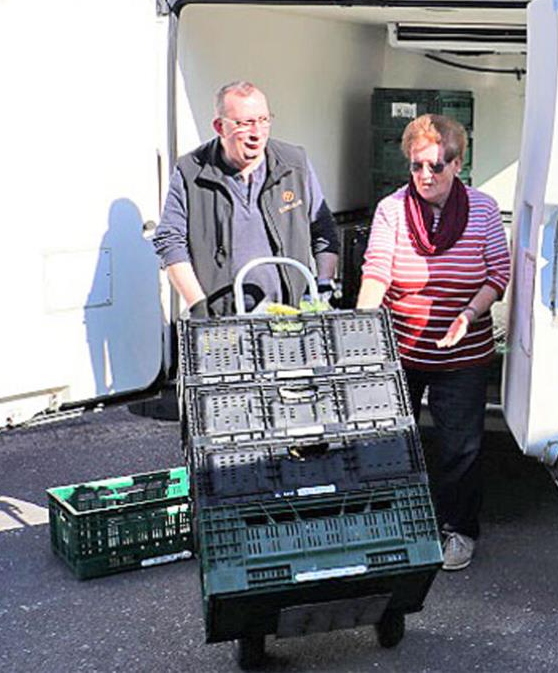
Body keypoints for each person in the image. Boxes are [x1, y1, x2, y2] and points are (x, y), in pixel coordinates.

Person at [357, 114, 510, 572]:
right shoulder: (392, 209)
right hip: (402, 347)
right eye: (417, 166)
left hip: (462, 351)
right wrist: (362, 328)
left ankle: (458, 530)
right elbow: (377, 272)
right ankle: (392, 526)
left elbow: (498, 274)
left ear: (458, 164)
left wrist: (468, 314)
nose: (426, 175)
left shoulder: (482, 209)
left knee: (459, 447)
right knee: (391, 441)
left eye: (436, 166)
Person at [153, 81, 339, 316]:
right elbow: (170, 242)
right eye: (245, 124)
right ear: (220, 127)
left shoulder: (294, 164)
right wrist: (198, 306)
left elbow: (323, 229)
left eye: (263, 120)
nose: (257, 133)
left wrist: (323, 283)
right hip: (222, 318)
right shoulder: (191, 171)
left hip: (290, 314)